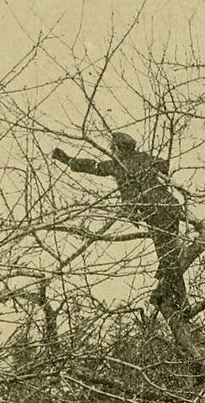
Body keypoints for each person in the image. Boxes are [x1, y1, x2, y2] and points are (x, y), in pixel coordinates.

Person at [51, 132, 185, 310]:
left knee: (167, 255)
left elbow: (95, 166)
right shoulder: (146, 158)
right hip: (170, 207)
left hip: (156, 212)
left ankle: (171, 298)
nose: (111, 151)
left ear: (118, 149)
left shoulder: (118, 165)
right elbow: (164, 165)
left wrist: (67, 160)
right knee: (169, 254)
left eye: (112, 148)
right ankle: (175, 299)